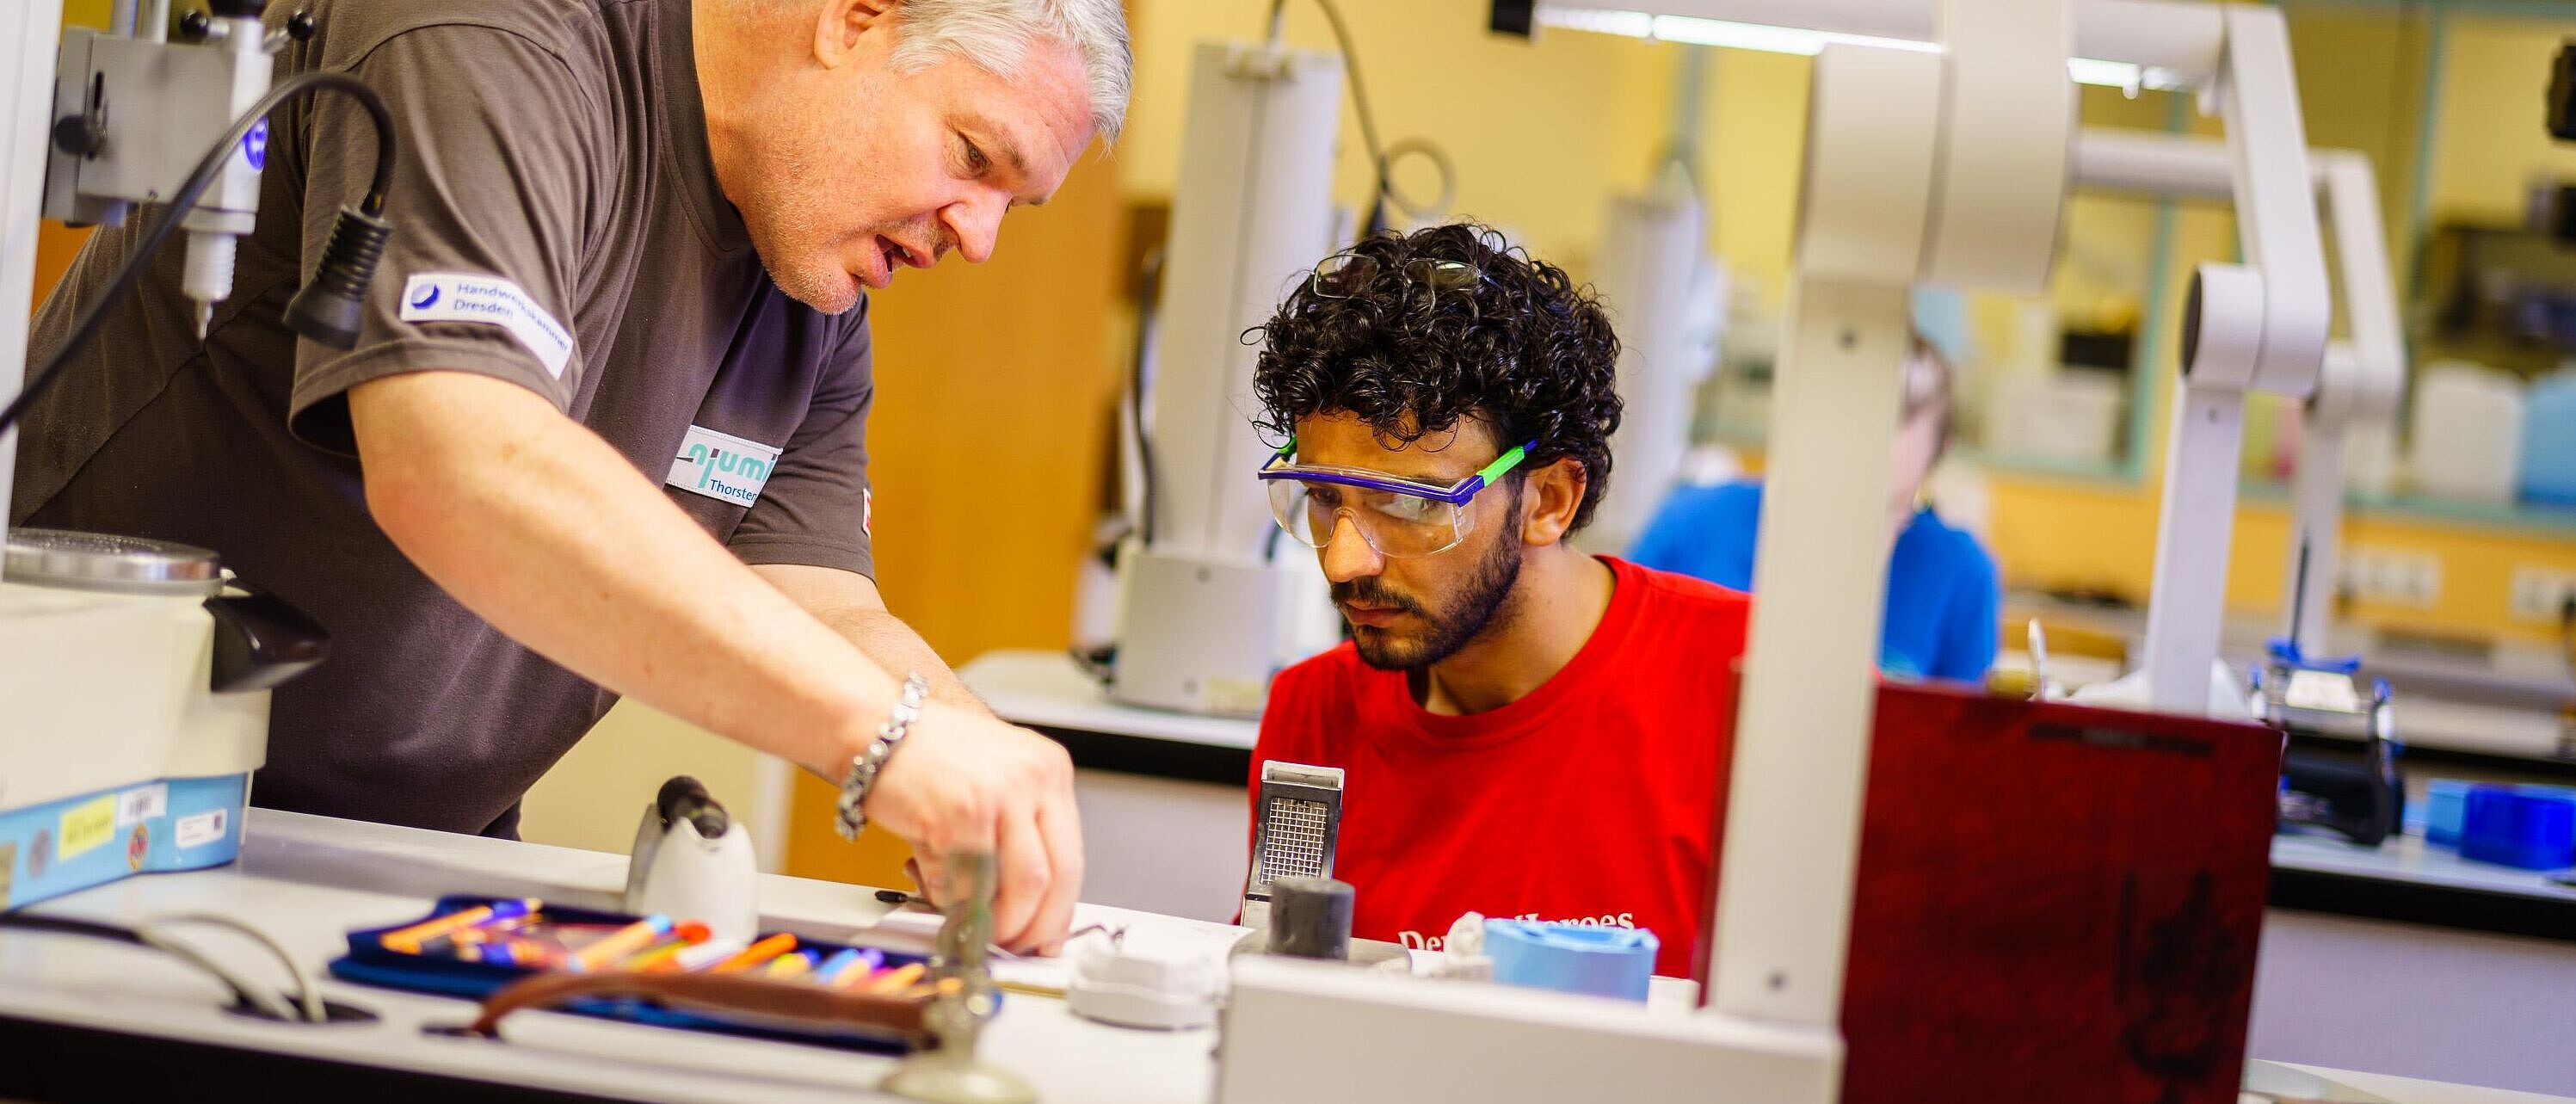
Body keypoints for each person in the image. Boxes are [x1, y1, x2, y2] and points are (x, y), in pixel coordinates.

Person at [13, 0, 1131, 952]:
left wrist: (974, 757)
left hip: (405, 867)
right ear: (854, 18)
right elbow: (459, 462)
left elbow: (819, 593)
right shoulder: (498, 38)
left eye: (1012, 205)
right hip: (88, 818)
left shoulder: (813, 279)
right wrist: (886, 737)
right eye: (974, 158)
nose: (979, 238)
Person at [1242, 224, 1752, 978]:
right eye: (1320, 497)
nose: (1344, 560)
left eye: (1412, 505)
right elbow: (1278, 1004)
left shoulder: (1749, 685)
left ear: (1547, 499)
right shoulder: (1313, 715)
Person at [1629, 337, 2000, 683]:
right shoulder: (1694, 523)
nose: (1864, 434)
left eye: (1899, 412)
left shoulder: (1959, 572)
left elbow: (1968, 746)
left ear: (1938, 451)